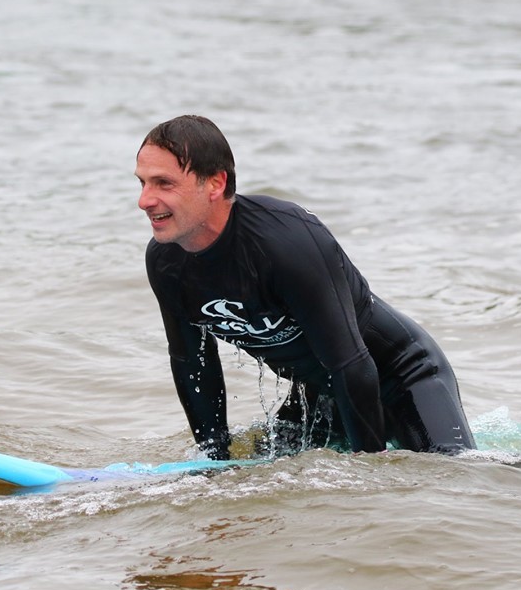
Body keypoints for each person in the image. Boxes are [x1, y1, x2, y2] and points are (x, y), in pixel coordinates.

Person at [135, 115, 476, 460]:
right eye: (143, 183)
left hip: (404, 377)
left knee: (456, 473)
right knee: (260, 469)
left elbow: (352, 365)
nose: (145, 200)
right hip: (321, 396)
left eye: (164, 183)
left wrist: (369, 471)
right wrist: (216, 462)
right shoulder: (166, 263)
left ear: (215, 184)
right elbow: (194, 364)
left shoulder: (286, 243)